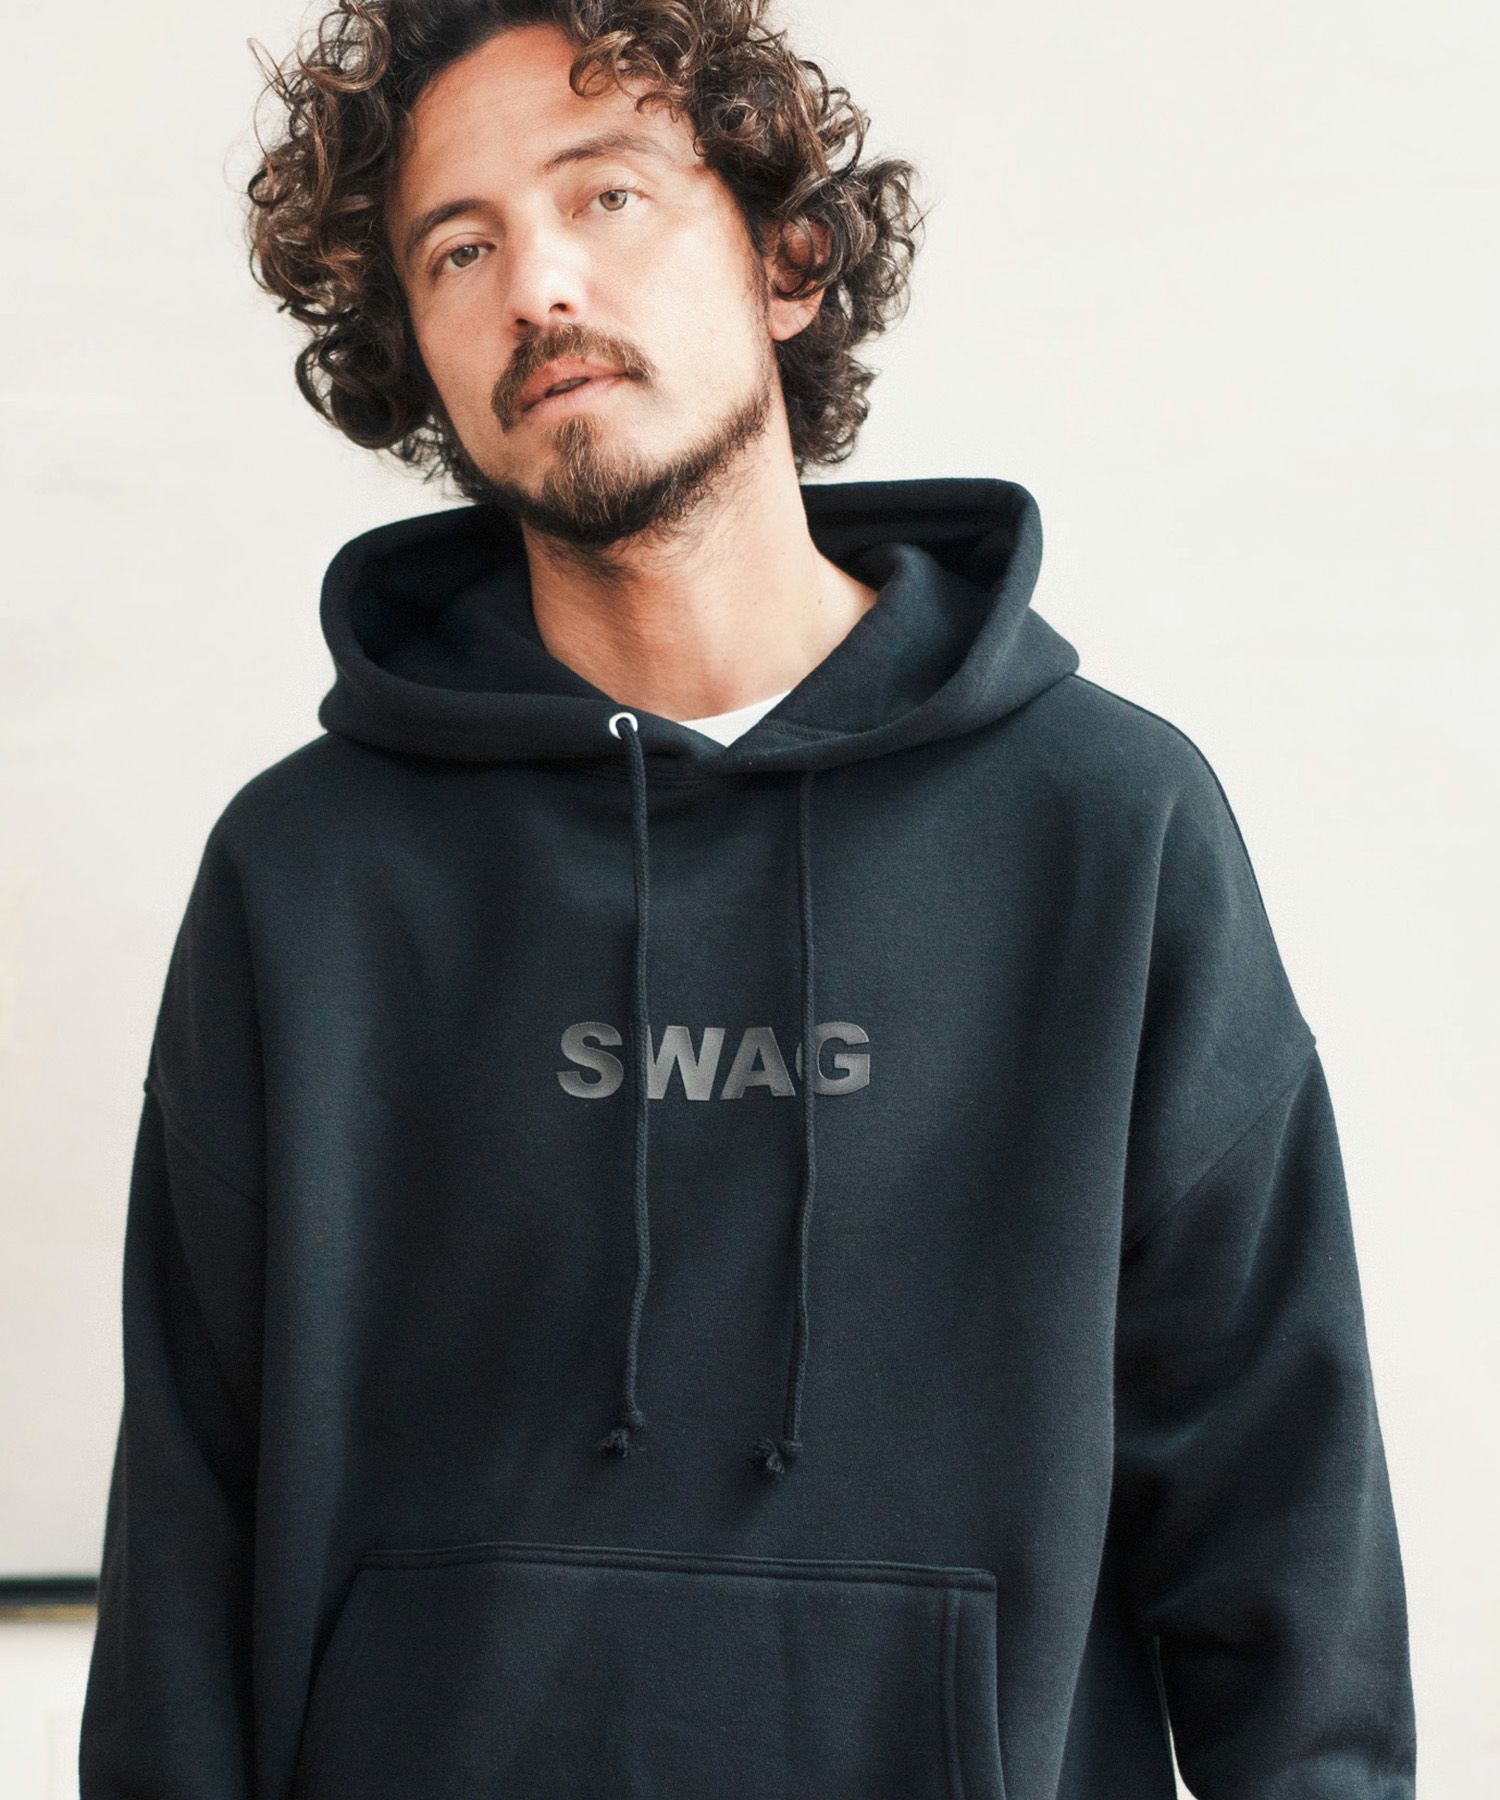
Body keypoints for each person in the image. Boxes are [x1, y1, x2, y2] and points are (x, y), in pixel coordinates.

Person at [78, 3, 1417, 1796]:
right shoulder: (304, 878)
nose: (538, 284)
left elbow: (1286, 1542)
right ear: (415, 347)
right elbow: (184, 1555)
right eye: (457, 249)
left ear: (789, 258)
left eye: (606, 195)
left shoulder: (1109, 829)